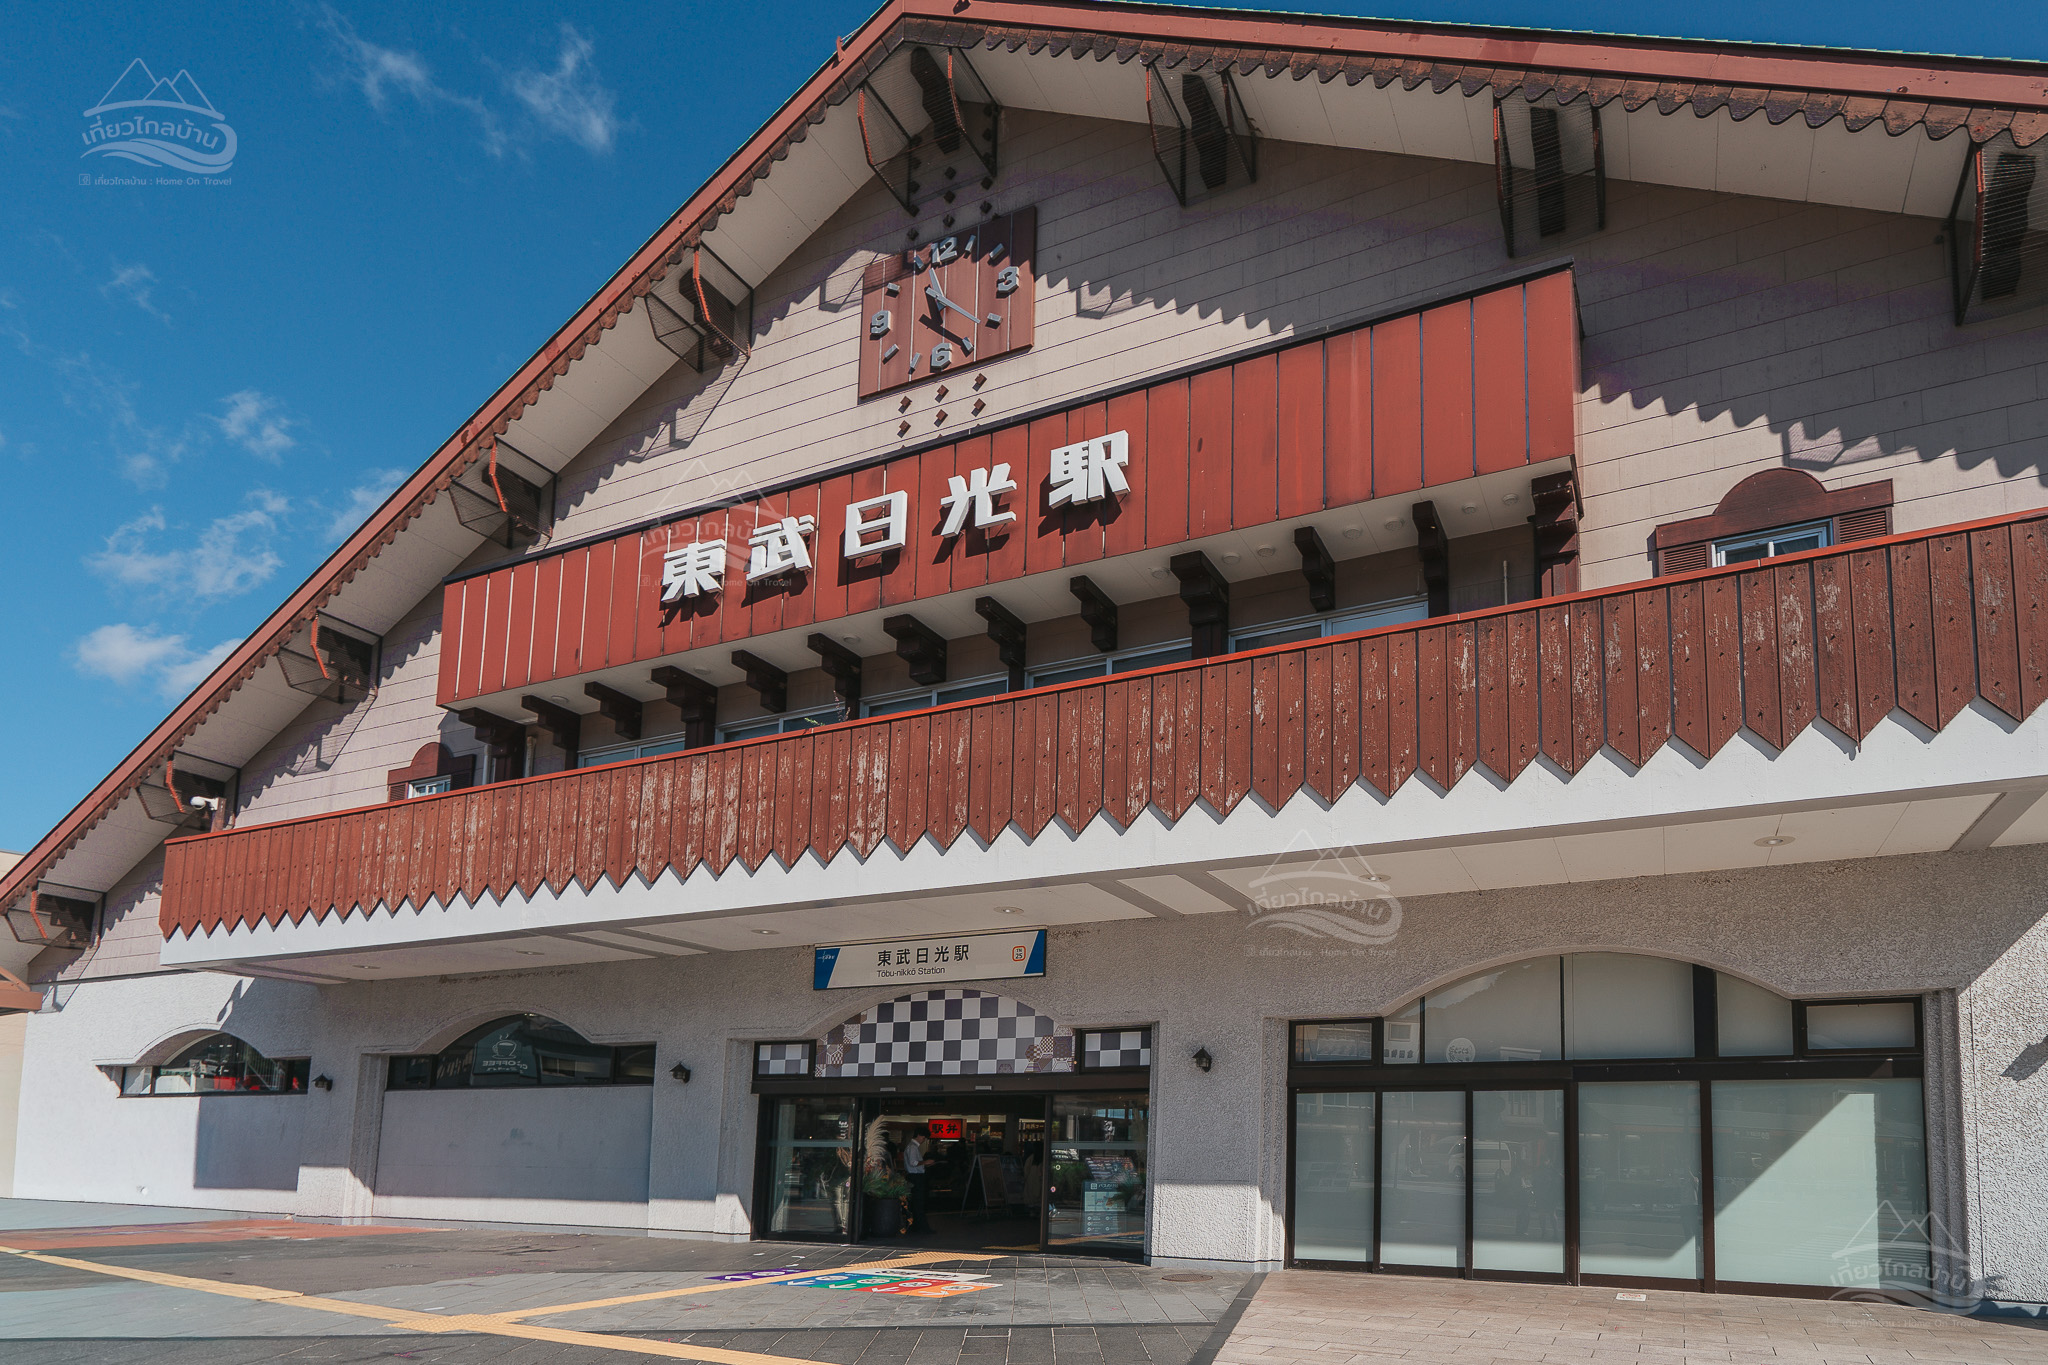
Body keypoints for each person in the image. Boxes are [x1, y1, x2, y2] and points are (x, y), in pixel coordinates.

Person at [901, 1124, 929, 1235]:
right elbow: (913, 1163)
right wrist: (925, 1162)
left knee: (915, 1203)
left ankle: (916, 1226)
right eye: (924, 1137)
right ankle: (920, 1226)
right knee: (918, 1202)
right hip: (916, 1177)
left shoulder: (911, 1146)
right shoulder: (913, 1147)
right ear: (919, 1135)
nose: (924, 1140)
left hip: (913, 1176)